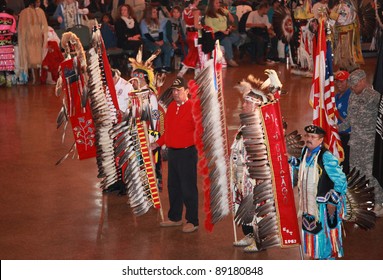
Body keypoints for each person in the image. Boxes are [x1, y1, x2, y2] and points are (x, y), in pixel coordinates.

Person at [289, 124, 347, 259]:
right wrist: (291, 160)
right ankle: (318, 257)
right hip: (308, 203)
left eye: (313, 137)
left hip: (322, 206)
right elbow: (303, 165)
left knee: (324, 235)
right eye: (307, 136)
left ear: (321, 140)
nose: (309, 139)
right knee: (312, 232)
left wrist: (333, 201)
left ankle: (326, 259)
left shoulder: (326, 157)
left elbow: (341, 180)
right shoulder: (305, 151)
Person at [151, 77, 199, 233]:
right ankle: (175, 217)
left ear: (187, 91)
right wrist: (157, 143)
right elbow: (168, 131)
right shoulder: (171, 107)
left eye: (179, 90)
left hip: (187, 153)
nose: (175, 93)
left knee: (188, 187)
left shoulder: (193, 108)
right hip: (172, 153)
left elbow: (201, 132)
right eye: (173, 90)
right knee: (173, 186)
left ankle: (193, 220)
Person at [338, 69, 383, 217]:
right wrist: (334, 129)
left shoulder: (375, 97)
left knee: (371, 174)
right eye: (350, 86)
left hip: (370, 145)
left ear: (363, 81)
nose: (352, 88)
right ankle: (360, 203)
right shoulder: (352, 96)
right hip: (355, 143)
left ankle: (378, 203)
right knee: (356, 174)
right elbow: (349, 120)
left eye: (355, 85)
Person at [18, 0, 49, 85]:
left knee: (32, 58)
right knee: (34, 58)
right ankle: (36, 78)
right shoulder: (38, 12)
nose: (38, 3)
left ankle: (35, 78)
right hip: (34, 38)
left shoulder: (25, 12)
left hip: (31, 38)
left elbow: (21, 29)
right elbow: (45, 28)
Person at [204, 0, 241, 67]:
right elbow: (209, 27)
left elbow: (226, 11)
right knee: (226, 40)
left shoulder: (221, 11)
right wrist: (221, 31)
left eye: (219, 3)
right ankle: (230, 58)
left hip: (225, 32)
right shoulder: (209, 15)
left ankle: (227, 48)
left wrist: (229, 14)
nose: (218, 4)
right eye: (216, 3)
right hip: (216, 33)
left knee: (237, 36)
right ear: (212, 5)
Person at [140, 5, 172, 73]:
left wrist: (160, 40)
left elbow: (160, 32)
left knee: (168, 47)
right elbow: (146, 34)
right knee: (157, 49)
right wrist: (155, 41)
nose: (156, 13)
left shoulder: (156, 21)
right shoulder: (143, 22)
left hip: (157, 39)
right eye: (154, 12)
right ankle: (158, 67)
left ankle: (166, 66)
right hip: (148, 40)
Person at [177, 0, 203, 77]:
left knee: (195, 54)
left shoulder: (185, 10)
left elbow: (185, 23)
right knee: (195, 54)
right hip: (195, 35)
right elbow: (196, 25)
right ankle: (181, 74)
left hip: (189, 35)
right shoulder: (196, 11)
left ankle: (196, 75)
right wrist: (204, 27)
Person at [334, 70, 351, 175]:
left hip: (347, 134)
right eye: (337, 81)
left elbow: (351, 120)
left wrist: (337, 114)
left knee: (346, 161)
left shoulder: (351, 97)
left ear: (348, 82)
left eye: (342, 82)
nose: (339, 84)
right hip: (338, 133)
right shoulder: (336, 96)